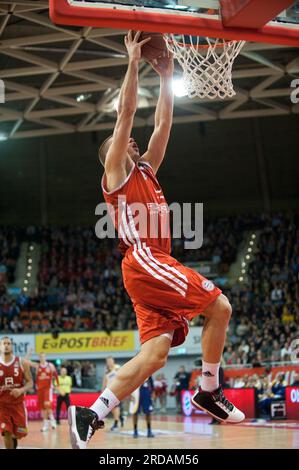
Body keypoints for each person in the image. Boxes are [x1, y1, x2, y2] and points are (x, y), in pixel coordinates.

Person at [68, 30, 244, 449]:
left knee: (155, 356)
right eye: (118, 141)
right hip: (143, 258)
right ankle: (209, 388)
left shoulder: (146, 168)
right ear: (109, 153)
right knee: (220, 306)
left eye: (128, 141)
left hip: (150, 267)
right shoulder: (115, 174)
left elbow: (163, 122)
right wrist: (131, 62)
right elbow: (125, 113)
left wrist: (166, 75)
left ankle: (90, 414)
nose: (128, 139)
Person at [0, 336, 33, 449]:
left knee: (19, 433)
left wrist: (20, 390)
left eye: (8, 343)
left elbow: (30, 383)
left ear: (12, 346)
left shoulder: (22, 362)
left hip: (18, 405)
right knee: (6, 432)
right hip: (2, 406)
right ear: (0, 346)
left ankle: (15, 438)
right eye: (4, 343)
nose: (6, 345)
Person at [26, 351, 59, 431]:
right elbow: (26, 361)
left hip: (48, 388)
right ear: (39, 358)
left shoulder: (50, 365)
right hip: (40, 389)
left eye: (43, 356)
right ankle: (46, 425)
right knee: (43, 408)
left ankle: (53, 421)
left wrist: (57, 385)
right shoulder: (37, 366)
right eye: (40, 357)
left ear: (45, 357)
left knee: (47, 404)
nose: (42, 358)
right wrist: (29, 354)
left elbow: (56, 375)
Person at [102, 357, 123, 431]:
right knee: (111, 407)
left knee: (116, 407)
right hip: (109, 391)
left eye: (110, 360)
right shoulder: (106, 370)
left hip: (117, 390)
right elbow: (104, 380)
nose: (109, 362)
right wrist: (102, 390)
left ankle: (116, 423)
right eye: (108, 361)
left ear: (113, 361)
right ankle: (120, 417)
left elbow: (122, 376)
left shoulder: (117, 367)